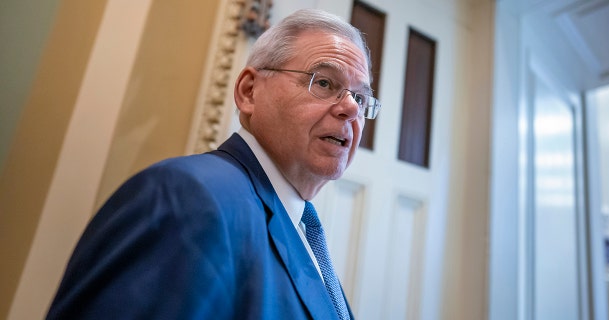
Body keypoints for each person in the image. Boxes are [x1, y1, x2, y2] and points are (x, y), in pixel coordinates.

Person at [46, 8, 381, 320]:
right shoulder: (188, 198)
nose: (351, 108)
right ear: (249, 91)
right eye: (324, 82)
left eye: (360, 97)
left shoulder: (306, 236)